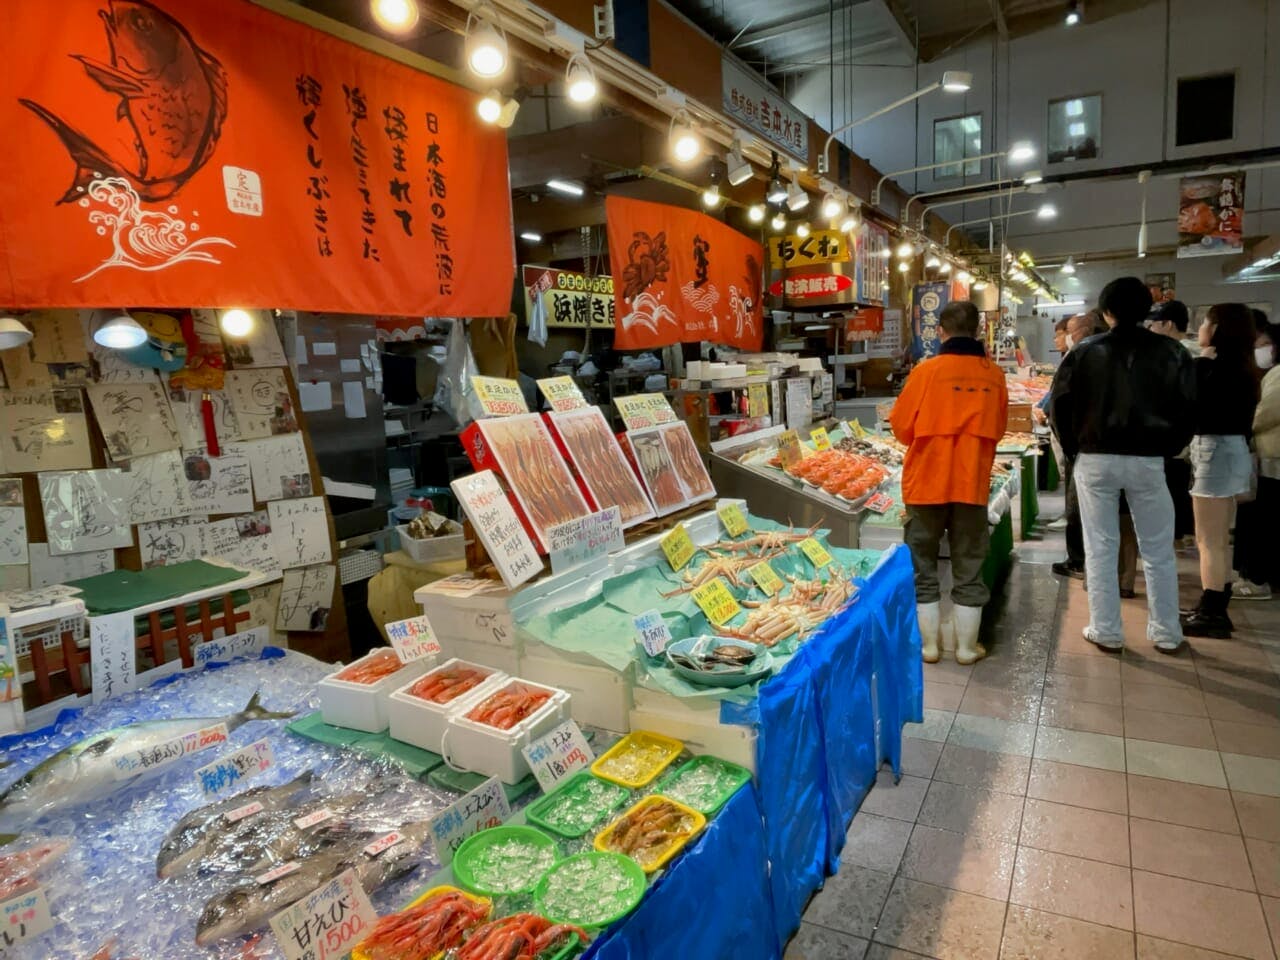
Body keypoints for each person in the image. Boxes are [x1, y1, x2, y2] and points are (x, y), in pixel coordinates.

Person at [1049, 277, 1196, 653]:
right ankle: (1166, 632)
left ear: (1106, 311)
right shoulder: (1173, 352)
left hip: (1095, 458)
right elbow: (1189, 408)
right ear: (1146, 309)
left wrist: (1075, 450)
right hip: (1149, 459)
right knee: (1158, 548)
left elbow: (1060, 407)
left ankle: (1106, 629)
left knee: (1100, 544)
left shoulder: (1084, 352)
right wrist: (1169, 447)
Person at [891, 300, 1008, 665]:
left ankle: (928, 647)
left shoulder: (926, 372)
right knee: (969, 568)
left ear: (940, 332)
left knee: (922, 567)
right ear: (977, 330)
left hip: (925, 484)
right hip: (972, 485)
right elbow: (999, 429)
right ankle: (966, 648)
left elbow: (901, 427)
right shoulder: (994, 375)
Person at [1181, 304, 1261, 637]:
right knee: (1219, 539)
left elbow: (1189, 402)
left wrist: (1199, 362)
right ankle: (1213, 604)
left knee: (1209, 539)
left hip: (1214, 451)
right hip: (1232, 450)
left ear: (1216, 329)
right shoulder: (1244, 368)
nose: (1200, 328)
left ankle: (1212, 613)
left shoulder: (1212, 369)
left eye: (1204, 322)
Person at [1050, 310, 1108, 579]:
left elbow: (1060, 403)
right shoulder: (1152, 351)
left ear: (1082, 331)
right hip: (1134, 452)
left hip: (1086, 447)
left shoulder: (1080, 355)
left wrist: (1069, 444)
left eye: (1069, 332)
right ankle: (1118, 574)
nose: (1065, 338)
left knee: (1081, 508)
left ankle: (1080, 562)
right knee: (1116, 518)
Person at [1233, 316, 1280, 599]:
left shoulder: (1278, 374)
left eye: (1263, 344)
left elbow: (1265, 413)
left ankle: (1258, 580)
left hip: (1273, 459)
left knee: (1264, 522)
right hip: (1269, 458)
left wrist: (1241, 422)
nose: (1258, 349)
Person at [1148, 300, 1197, 541]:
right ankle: (1181, 535)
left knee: (1172, 489)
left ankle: (1175, 536)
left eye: (1154, 324)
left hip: (1171, 438)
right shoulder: (1194, 351)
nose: (1150, 329)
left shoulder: (1176, 354)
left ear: (1167, 324)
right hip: (1185, 439)